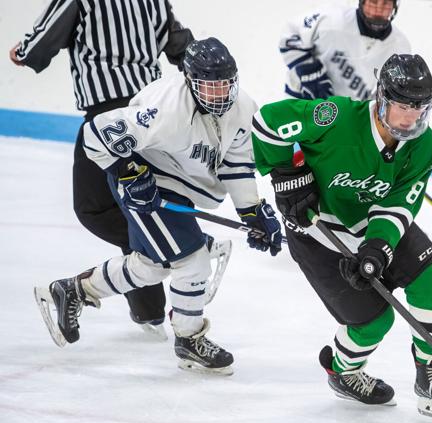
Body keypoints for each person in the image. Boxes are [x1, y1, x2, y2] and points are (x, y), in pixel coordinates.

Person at [33, 38, 283, 376]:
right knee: (192, 262)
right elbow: (95, 135)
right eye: (209, 86)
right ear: (191, 81)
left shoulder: (242, 108)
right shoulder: (165, 110)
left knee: (153, 266)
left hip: (177, 186)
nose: (219, 94)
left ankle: (74, 290)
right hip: (145, 183)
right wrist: (126, 171)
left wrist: (251, 210)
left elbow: (236, 163)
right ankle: (189, 339)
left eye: (225, 84)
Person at [251, 53, 432, 421]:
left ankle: (430, 374)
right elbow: (267, 121)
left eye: (419, 107)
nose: (410, 117)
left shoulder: (423, 144)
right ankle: (343, 371)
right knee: (374, 321)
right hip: (316, 228)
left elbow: (400, 204)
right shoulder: (336, 118)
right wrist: (285, 174)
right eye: (402, 105)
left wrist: (378, 247)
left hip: (369, 222)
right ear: (382, 97)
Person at [10, 0, 232, 340]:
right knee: (135, 208)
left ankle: (191, 244)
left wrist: (22, 52)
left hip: (109, 120)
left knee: (95, 209)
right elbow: (182, 47)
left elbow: (42, 42)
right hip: (152, 112)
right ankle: (150, 310)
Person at [279, 0, 409, 101]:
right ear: (362, 2)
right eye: (373, 2)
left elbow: (390, 93)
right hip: (301, 99)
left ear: (394, 6)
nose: (377, 10)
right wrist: (310, 73)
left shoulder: (400, 48)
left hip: (344, 116)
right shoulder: (331, 18)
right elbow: (291, 35)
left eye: (385, 3)